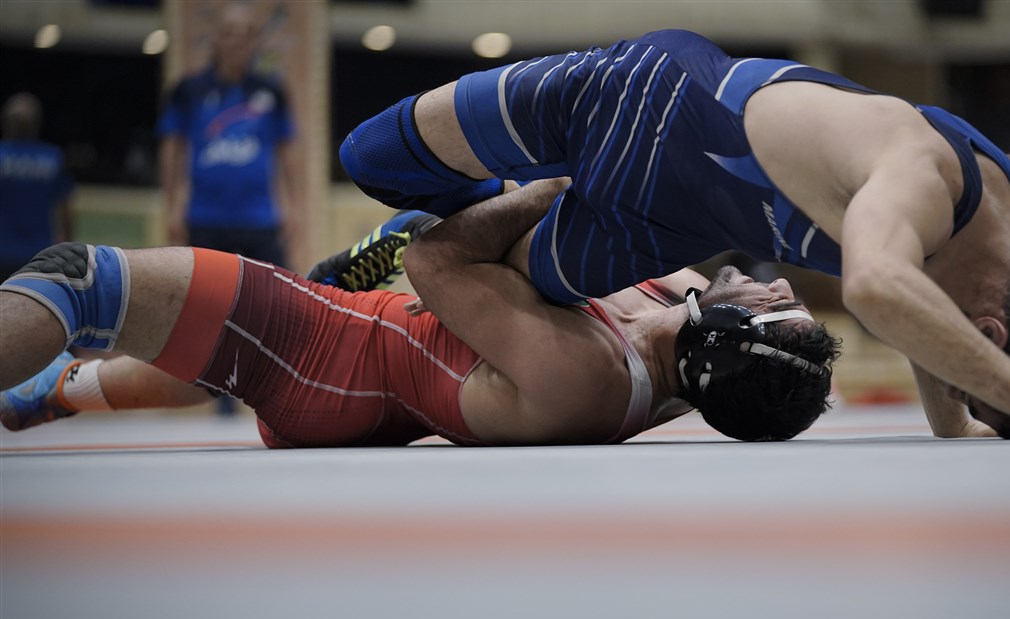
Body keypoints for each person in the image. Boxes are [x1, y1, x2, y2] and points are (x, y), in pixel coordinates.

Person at [338, 29, 1010, 442]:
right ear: (992, 334)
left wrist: (959, 429)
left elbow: (923, 310)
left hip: (667, 221)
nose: (965, 385)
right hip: (641, 102)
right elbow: (878, 287)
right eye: (978, 378)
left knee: (499, 280)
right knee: (370, 159)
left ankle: (425, 235)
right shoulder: (930, 178)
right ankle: (453, 206)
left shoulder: (976, 254)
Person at [0, 181, 839, 446]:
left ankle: (49, 380)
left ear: (726, 342)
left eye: (776, 307)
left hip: (328, 351)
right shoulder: (672, 311)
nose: (775, 287)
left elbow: (433, 262)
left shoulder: (590, 376)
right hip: (358, 366)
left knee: (80, 281)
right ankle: (48, 394)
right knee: (207, 356)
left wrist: (563, 184)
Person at [158, 2, 300, 270]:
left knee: (275, 290)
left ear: (255, 40)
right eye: (230, 32)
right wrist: (173, 205)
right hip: (204, 218)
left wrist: (292, 206)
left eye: (246, 33)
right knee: (205, 291)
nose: (237, 41)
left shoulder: (271, 90)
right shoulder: (189, 90)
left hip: (260, 218)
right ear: (216, 36)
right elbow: (171, 148)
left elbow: (286, 151)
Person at [0, 93, 73, 282]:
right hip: (39, 256)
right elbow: (66, 210)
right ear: (37, 124)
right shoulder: (52, 158)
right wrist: (68, 248)